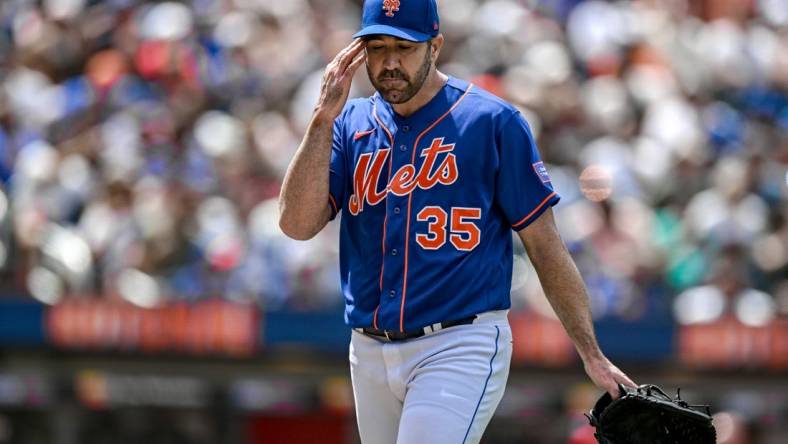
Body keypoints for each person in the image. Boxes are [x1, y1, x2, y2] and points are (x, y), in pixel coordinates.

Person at [278, 0, 636, 442]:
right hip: (368, 348)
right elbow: (295, 225)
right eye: (377, 47)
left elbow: (546, 248)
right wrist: (320, 120)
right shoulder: (347, 124)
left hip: (457, 343)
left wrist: (591, 353)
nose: (389, 62)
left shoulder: (492, 122)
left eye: (404, 47)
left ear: (435, 47)